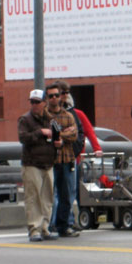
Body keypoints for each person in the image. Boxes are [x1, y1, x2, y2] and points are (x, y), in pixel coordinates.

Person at [49, 80, 102, 231]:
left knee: (69, 191)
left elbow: (83, 132)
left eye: (66, 93)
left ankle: (68, 220)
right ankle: (57, 222)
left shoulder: (74, 113)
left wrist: (96, 148)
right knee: (58, 192)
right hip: (55, 158)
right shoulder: (50, 114)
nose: (63, 96)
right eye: (61, 93)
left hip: (72, 157)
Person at [18, 90, 58, 242]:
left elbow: (57, 137)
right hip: (32, 164)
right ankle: (34, 229)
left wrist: (58, 143)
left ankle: (45, 228)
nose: (34, 105)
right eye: (32, 102)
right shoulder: (25, 119)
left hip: (48, 163)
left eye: (37, 102)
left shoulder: (51, 120)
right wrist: (40, 132)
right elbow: (23, 138)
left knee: (47, 198)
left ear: (44, 103)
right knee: (33, 198)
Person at [44, 83, 80, 237]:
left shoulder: (68, 115)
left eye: (56, 95)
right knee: (49, 196)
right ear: (47, 98)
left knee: (66, 195)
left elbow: (74, 134)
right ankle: (48, 226)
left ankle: (63, 226)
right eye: (51, 96)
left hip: (66, 159)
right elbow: (43, 135)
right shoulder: (44, 116)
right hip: (50, 161)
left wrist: (59, 136)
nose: (54, 98)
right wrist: (63, 133)